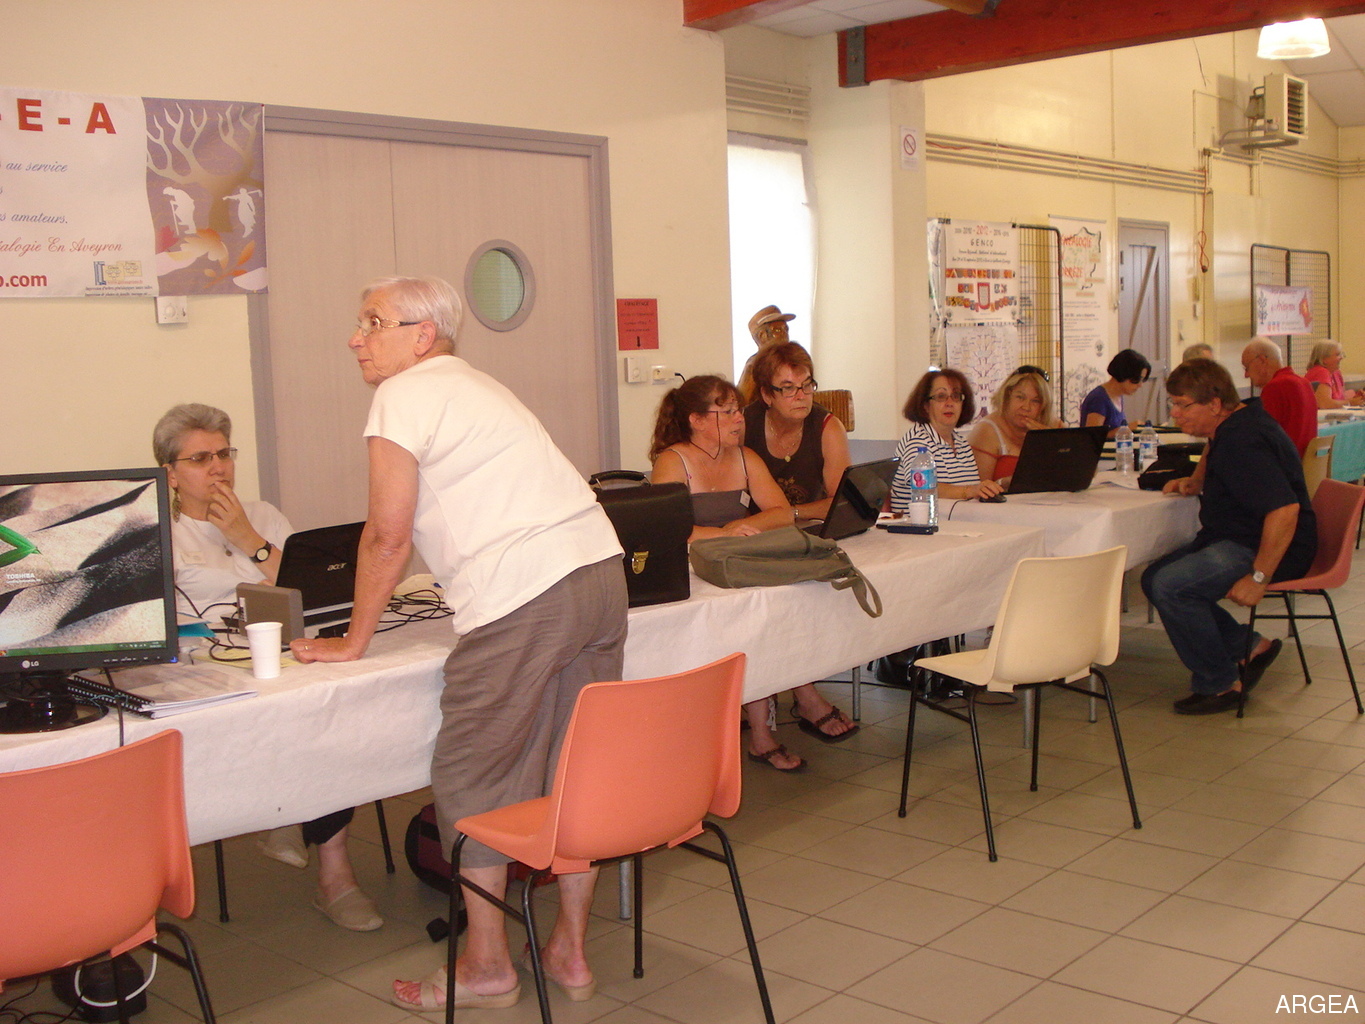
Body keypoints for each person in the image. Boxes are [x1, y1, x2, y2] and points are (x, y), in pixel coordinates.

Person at [292, 277, 627, 1012]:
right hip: (599, 575)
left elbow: (387, 535)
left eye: (372, 321)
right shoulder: (476, 385)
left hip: (526, 597)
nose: (355, 338)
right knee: (573, 767)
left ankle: (486, 967)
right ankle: (569, 952)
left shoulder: (404, 393)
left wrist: (353, 639)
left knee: (473, 779)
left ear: (422, 336)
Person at [152, 403, 380, 932]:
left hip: (288, 659)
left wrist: (248, 538)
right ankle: (285, 808)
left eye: (224, 453)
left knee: (333, 713)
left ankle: (334, 874)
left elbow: (306, 592)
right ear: (170, 473)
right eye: (200, 459)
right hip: (212, 674)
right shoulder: (161, 533)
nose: (218, 468)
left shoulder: (264, 516)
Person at [651, 375, 816, 772]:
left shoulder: (744, 457)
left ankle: (763, 730)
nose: (739, 419)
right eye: (726, 412)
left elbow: (782, 512)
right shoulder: (672, 461)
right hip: (690, 572)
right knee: (744, 624)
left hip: (733, 566)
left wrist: (745, 527)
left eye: (738, 411)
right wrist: (726, 533)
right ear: (696, 420)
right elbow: (670, 529)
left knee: (765, 620)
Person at [1141, 359, 1316, 715]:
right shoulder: (1238, 419)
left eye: (1182, 405)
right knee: (1152, 578)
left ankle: (1220, 683)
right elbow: (1213, 443)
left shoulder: (1243, 442)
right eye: (1173, 403)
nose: (1175, 414)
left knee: (1172, 587)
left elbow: (1285, 510)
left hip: (1268, 545)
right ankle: (1248, 647)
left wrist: (1259, 578)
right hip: (1238, 535)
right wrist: (1198, 480)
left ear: (1215, 404)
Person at [741, 344, 861, 746]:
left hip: (806, 535)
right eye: (788, 388)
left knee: (802, 599)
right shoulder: (744, 424)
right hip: (751, 539)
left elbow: (841, 500)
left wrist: (788, 513)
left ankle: (799, 691)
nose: (801, 396)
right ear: (766, 394)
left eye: (807, 385)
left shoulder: (827, 427)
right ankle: (797, 695)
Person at [892, 368, 1002, 506]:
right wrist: (970, 491)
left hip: (959, 517)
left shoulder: (962, 443)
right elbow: (924, 488)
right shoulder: (917, 441)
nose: (950, 403)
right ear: (926, 405)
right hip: (919, 519)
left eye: (956, 396)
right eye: (941, 396)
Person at [967, 368, 1055, 483]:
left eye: (1035, 401)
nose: (1026, 407)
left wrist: (1049, 444)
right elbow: (978, 488)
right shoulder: (986, 430)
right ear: (1007, 396)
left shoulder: (1053, 426)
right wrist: (1009, 482)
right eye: (1020, 397)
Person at [1242, 337, 1317, 456]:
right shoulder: (1305, 383)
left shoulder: (1275, 387)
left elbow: (1263, 436)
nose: (1246, 375)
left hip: (1284, 463)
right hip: (1305, 462)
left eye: (1246, 367)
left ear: (1262, 360)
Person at [1079, 348, 1152, 436]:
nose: (1140, 385)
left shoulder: (1118, 396)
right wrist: (1127, 429)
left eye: (1142, 380)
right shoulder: (1099, 399)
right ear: (1123, 374)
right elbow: (1093, 437)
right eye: (1136, 379)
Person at [737, 305, 796, 404]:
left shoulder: (790, 361)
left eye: (786, 329)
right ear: (762, 336)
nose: (784, 334)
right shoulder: (755, 366)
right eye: (777, 330)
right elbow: (742, 402)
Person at [1304, 340, 1364, 409]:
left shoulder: (1336, 373)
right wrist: (1350, 403)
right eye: (1337, 355)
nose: (1341, 357)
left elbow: (1341, 399)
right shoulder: (1320, 372)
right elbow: (1324, 404)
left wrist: (1357, 399)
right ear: (1324, 359)